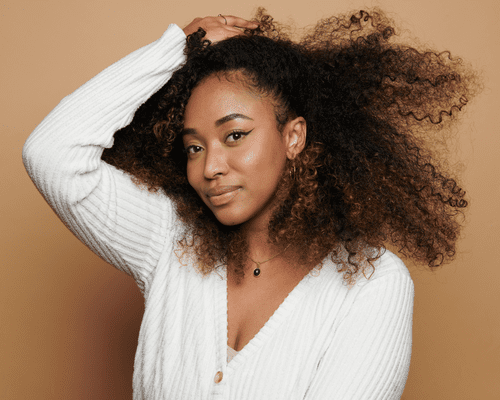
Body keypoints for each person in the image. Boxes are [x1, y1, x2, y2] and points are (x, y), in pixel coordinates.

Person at [23, 8, 474, 399]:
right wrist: (178, 49)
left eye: (234, 135)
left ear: (292, 136)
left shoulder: (371, 283)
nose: (209, 167)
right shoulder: (170, 243)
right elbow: (51, 154)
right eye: (194, 147)